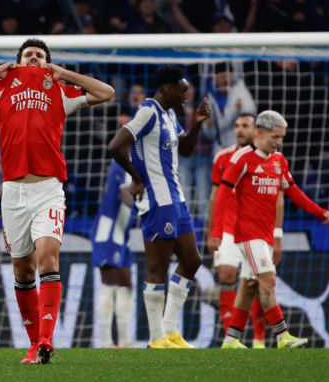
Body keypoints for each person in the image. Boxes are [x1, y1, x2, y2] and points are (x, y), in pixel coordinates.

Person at [0, 38, 114, 363]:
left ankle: (48, 340)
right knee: (23, 272)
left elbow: (107, 93)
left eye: (40, 55)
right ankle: (35, 344)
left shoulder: (60, 90)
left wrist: (66, 74)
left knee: (48, 261)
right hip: (12, 194)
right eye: (28, 55)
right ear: (18, 62)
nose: (34, 58)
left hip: (48, 189)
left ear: (48, 62)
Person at [107, 64, 212, 349]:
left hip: (177, 200)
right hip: (157, 201)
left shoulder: (169, 114)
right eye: (183, 89)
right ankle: (155, 338)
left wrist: (198, 123)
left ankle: (170, 331)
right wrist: (137, 177)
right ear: (167, 89)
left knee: (192, 261)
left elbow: (186, 149)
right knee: (158, 267)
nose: (187, 94)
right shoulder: (147, 111)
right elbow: (115, 145)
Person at [215, 110, 329, 349]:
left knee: (249, 285)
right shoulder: (241, 158)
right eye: (274, 137)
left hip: (266, 234)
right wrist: (217, 230)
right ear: (259, 133)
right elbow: (223, 194)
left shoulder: (279, 160)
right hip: (247, 233)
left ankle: (230, 340)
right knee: (268, 279)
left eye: (282, 138)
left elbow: (293, 191)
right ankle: (283, 335)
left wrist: (319, 211)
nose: (278, 142)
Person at [206, 114, 271, 348]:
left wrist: (277, 234)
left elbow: (277, 198)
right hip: (227, 230)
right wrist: (211, 229)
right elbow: (214, 196)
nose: (239, 130)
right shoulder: (222, 157)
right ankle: (230, 339)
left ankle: (259, 339)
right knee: (226, 276)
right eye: (237, 126)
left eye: (245, 125)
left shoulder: (269, 159)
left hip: (255, 230)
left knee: (254, 282)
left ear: (257, 130)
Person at [90, 156, 140, 349]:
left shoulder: (135, 160)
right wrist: (146, 208)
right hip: (109, 231)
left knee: (126, 283)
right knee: (109, 283)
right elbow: (126, 195)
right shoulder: (123, 160)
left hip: (122, 232)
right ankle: (106, 342)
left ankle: (125, 340)